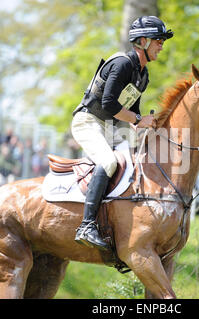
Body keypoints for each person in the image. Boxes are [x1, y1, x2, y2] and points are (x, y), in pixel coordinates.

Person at [70, 16, 173, 250]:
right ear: (143, 41)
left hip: (110, 126)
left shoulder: (143, 74)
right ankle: (86, 225)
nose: (161, 45)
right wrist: (138, 120)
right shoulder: (123, 64)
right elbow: (108, 103)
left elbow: (131, 111)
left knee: (141, 157)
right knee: (108, 162)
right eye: (158, 41)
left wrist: (148, 126)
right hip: (88, 121)